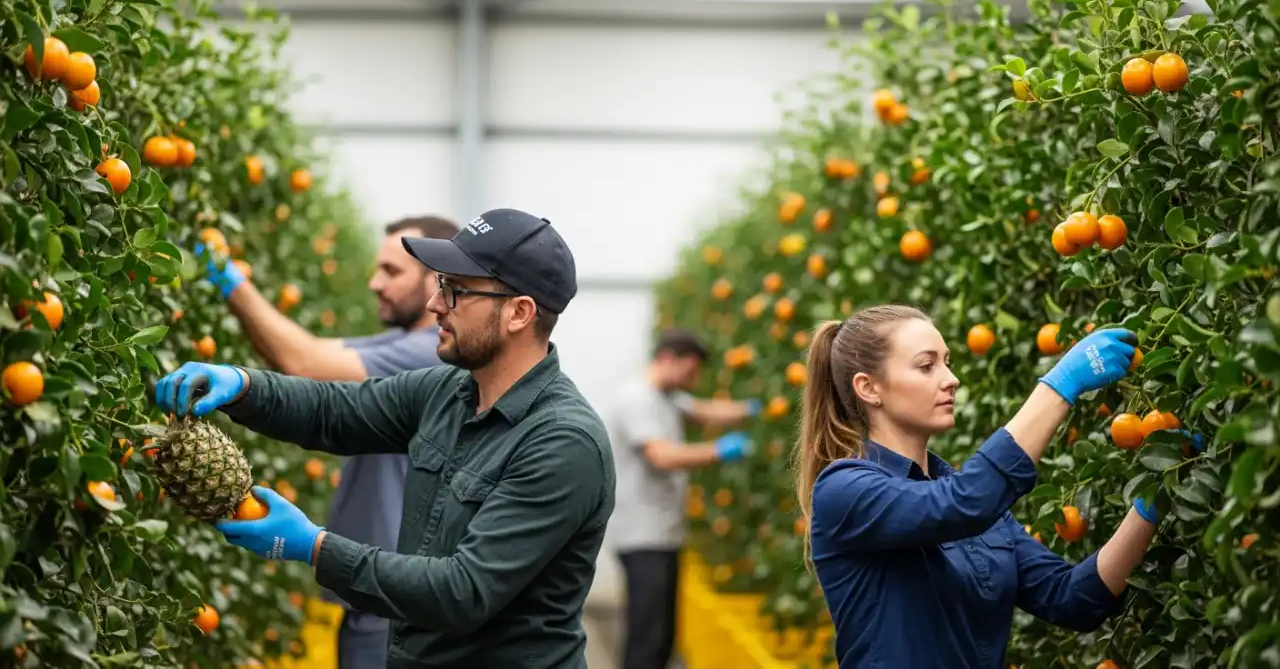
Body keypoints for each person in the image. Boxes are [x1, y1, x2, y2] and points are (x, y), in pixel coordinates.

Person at [159, 209, 614, 669]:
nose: (436, 304)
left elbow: (463, 591)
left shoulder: (562, 442)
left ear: (519, 312)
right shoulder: (445, 392)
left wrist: (315, 547)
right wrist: (243, 386)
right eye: (440, 284)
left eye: (455, 290)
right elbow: (332, 411)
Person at [793, 304, 1190, 667]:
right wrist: (1060, 384)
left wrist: (1151, 501)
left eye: (947, 362)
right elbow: (961, 504)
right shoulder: (844, 490)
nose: (951, 379)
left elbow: (1073, 598)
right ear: (869, 388)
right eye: (926, 365)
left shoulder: (969, 498)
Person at [200, 214, 460, 669]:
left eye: (392, 271)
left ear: (438, 281)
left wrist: (229, 279)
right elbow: (306, 351)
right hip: (369, 592)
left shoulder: (429, 356)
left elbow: (302, 362)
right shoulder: (401, 342)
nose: (375, 283)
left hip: (391, 601)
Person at [606, 327, 761, 669]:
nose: (692, 380)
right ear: (667, 359)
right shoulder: (637, 398)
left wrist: (754, 408)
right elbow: (660, 455)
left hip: (664, 533)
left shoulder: (666, 395)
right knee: (647, 638)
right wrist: (719, 450)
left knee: (662, 637)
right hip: (642, 536)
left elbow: (704, 411)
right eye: (690, 372)